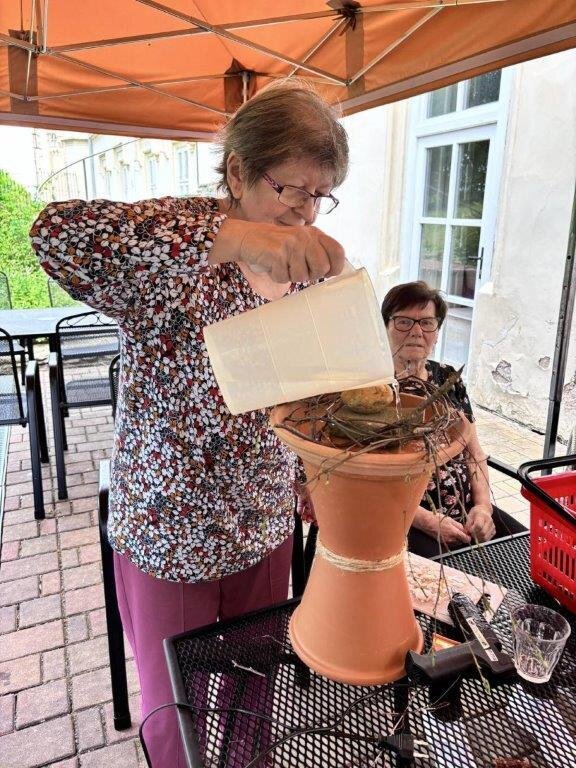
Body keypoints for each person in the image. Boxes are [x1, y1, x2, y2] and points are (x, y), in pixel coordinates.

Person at [30, 81, 349, 768]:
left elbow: (300, 388)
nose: (304, 211)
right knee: (177, 705)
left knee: (254, 689)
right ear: (236, 171)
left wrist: (310, 474)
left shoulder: (302, 271)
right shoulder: (178, 246)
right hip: (169, 530)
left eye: (320, 195)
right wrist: (235, 238)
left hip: (261, 522)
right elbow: (54, 233)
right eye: (290, 189)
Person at [381, 281, 526, 558]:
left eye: (427, 323)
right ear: (385, 326)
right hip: (406, 516)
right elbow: (368, 478)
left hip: (466, 508)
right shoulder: (374, 390)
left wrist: (483, 508)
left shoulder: (448, 379)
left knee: (525, 555)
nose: (416, 332)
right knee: (450, 578)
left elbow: (475, 453)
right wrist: (427, 521)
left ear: (437, 331)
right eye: (403, 322)